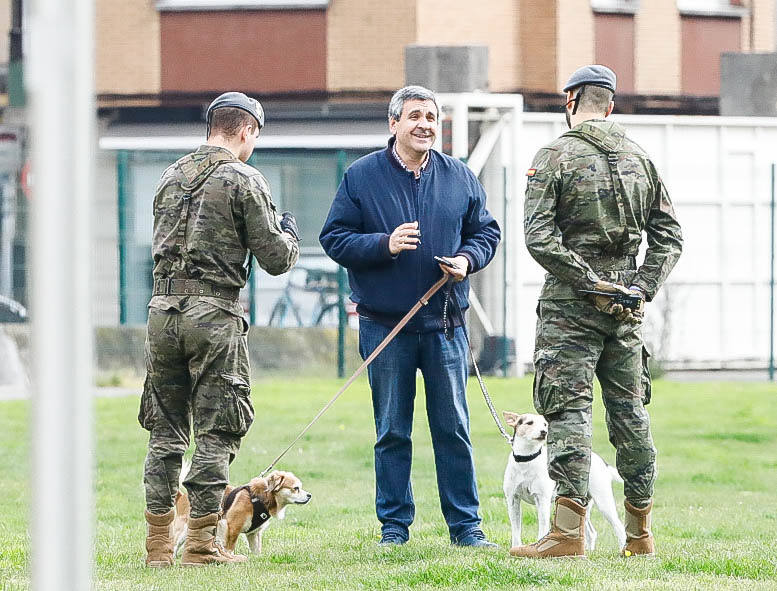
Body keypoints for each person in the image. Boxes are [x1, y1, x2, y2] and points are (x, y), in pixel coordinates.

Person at [511, 65, 682, 559]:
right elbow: (670, 236)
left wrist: (589, 283)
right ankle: (639, 534)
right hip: (626, 312)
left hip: (570, 309)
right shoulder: (641, 160)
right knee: (631, 416)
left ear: (571, 102)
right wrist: (639, 288)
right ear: (609, 105)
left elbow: (539, 238)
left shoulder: (554, 156)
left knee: (567, 411)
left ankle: (566, 535)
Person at [319, 85, 501, 548]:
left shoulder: (459, 176)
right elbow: (334, 238)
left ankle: (466, 528)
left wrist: (467, 260)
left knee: (454, 428)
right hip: (386, 327)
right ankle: (394, 529)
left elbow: (486, 232)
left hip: (445, 325)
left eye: (432, 117)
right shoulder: (361, 176)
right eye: (415, 116)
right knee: (392, 431)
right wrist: (384, 244)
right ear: (393, 123)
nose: (424, 124)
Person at [139, 92, 300, 567]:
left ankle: (156, 548)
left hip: (161, 312)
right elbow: (276, 257)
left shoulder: (170, 177)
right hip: (213, 316)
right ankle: (202, 547)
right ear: (247, 130)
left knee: (165, 434)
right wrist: (288, 232)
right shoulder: (244, 179)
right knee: (216, 429)